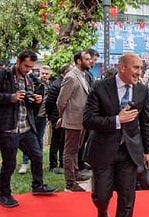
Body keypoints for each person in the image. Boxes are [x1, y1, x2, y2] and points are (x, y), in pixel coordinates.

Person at [82, 53, 149, 217]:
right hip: (104, 151)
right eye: (136, 68)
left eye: (141, 68)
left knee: (127, 201)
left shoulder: (141, 90)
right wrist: (116, 120)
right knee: (102, 195)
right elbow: (88, 120)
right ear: (122, 67)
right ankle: (102, 210)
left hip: (129, 154)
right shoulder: (100, 87)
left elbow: (145, 122)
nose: (139, 72)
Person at [0, 50, 56, 208]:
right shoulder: (4, 75)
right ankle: (4, 193)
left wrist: (34, 99)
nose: (28, 69)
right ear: (18, 61)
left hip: (26, 126)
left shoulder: (29, 79)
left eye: (30, 67)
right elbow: (8, 97)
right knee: (9, 163)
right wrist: (10, 97)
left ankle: (38, 185)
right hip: (8, 128)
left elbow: (27, 100)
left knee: (37, 155)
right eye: (26, 66)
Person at [57, 50, 93, 192]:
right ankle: (70, 181)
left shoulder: (83, 75)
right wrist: (64, 116)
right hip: (73, 120)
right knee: (69, 151)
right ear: (79, 61)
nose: (90, 61)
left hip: (81, 120)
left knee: (75, 150)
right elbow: (61, 101)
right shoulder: (71, 77)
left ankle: (76, 173)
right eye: (87, 59)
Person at [45, 63, 73, 174]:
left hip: (63, 116)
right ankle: (53, 164)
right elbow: (50, 102)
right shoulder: (57, 85)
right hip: (57, 116)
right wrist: (51, 116)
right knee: (56, 141)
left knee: (63, 141)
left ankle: (62, 162)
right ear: (65, 72)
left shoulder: (64, 82)